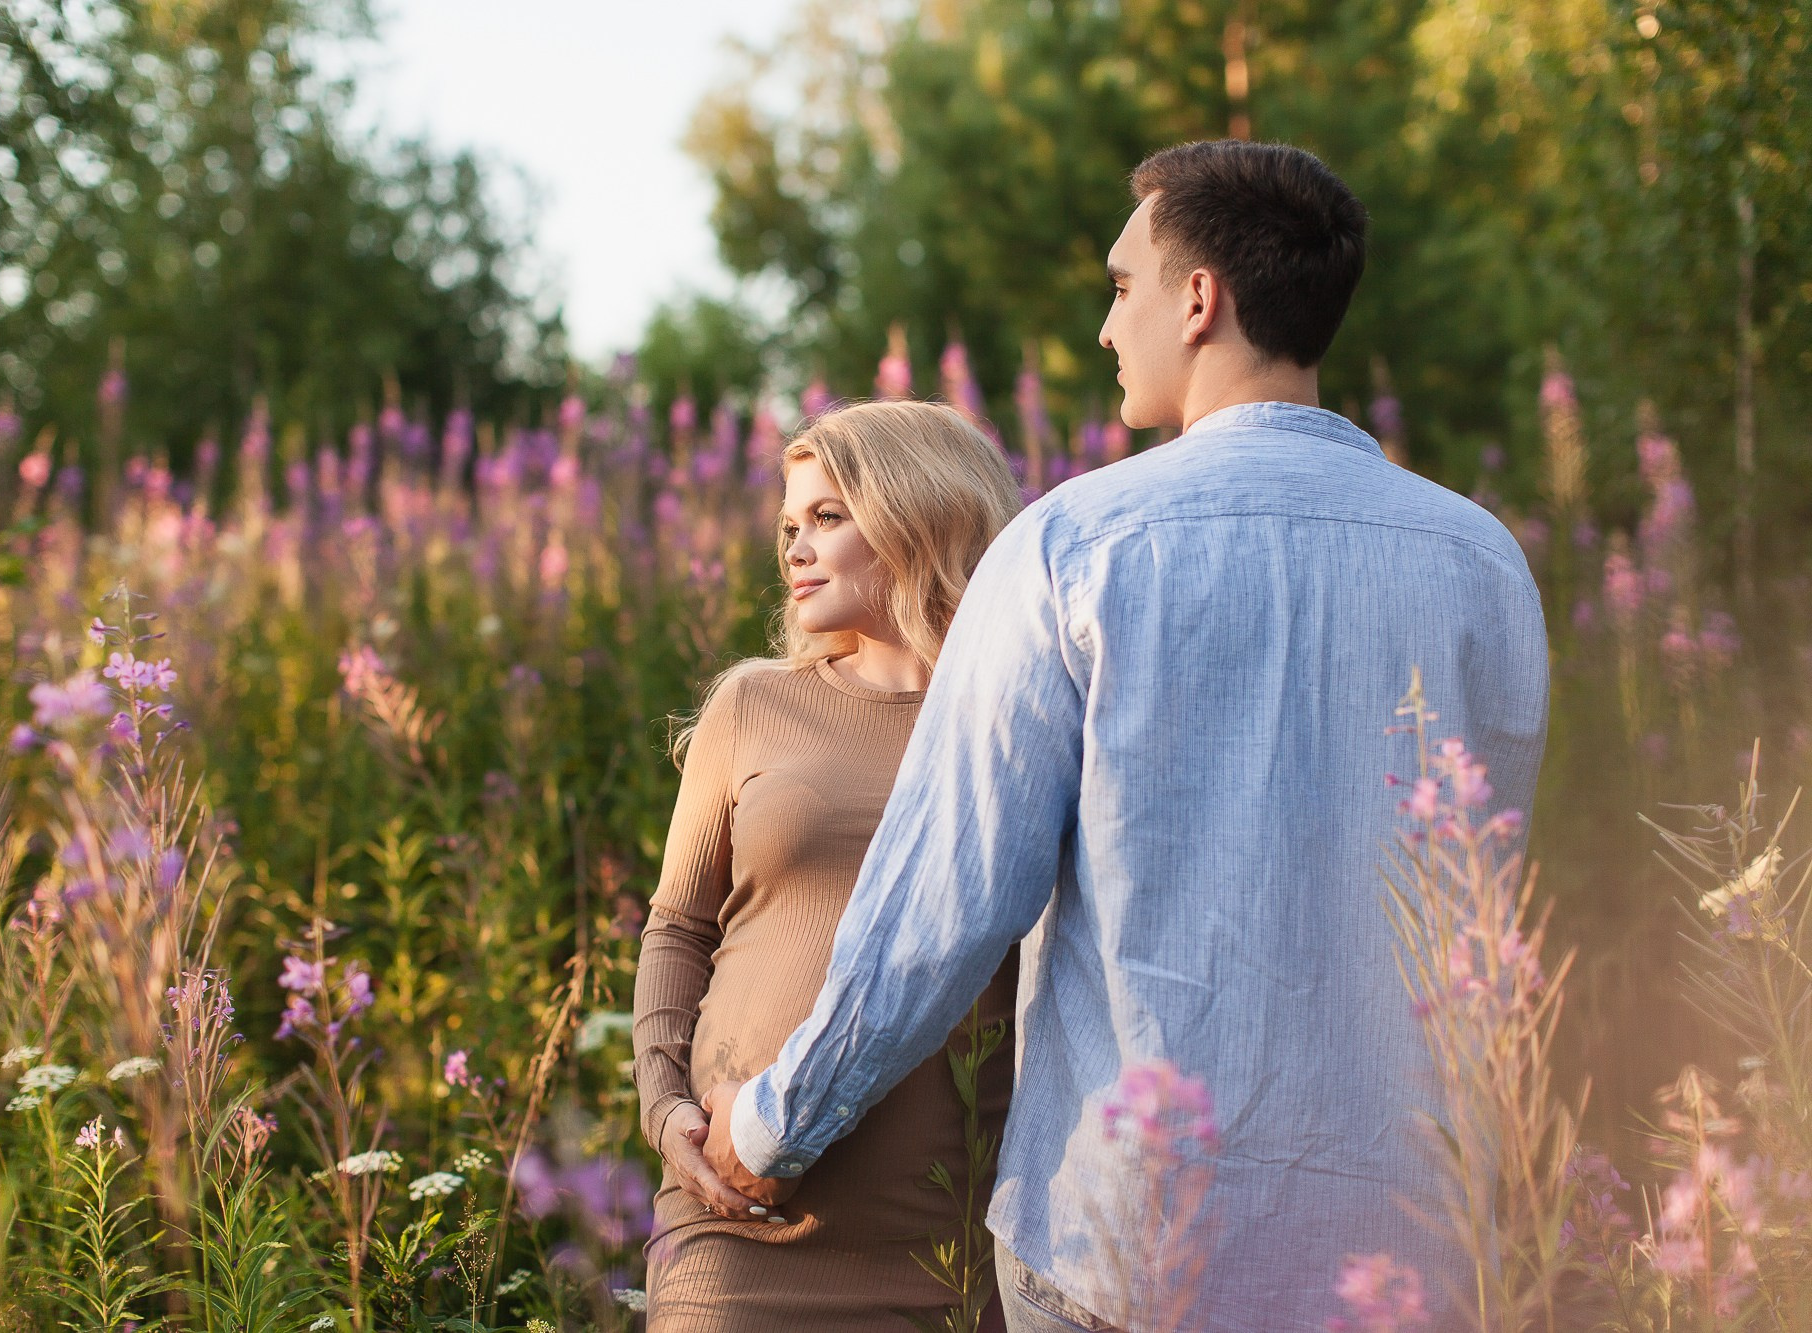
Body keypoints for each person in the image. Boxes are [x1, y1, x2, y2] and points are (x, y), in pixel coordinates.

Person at [699, 140, 1551, 1330]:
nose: (1107, 329)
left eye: (1119, 287)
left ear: (1196, 300)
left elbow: (943, 900)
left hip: (1128, 1250)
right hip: (1407, 1248)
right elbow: (1478, 896)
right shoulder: (1480, 563)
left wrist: (769, 1126)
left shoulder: (1068, 551)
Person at [632, 400, 1026, 1330]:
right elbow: (677, 927)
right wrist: (665, 1108)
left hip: (943, 1237)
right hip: (733, 1219)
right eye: (787, 527)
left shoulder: (1013, 720)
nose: (795, 549)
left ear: (915, 513)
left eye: (826, 518)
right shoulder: (753, 703)